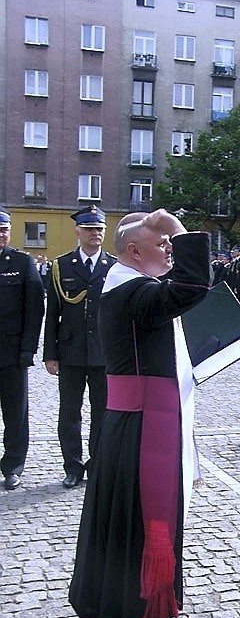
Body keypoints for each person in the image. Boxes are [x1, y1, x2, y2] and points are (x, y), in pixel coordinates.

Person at [68, 208, 212, 618]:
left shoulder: (124, 284)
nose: (170, 248)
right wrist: (180, 229)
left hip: (129, 420)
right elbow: (193, 286)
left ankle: (100, 600)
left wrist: (159, 229)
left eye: (170, 242)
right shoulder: (134, 290)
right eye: (161, 243)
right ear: (133, 251)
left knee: (115, 518)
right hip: (148, 423)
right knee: (148, 520)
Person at [43, 205, 116, 488]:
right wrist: (50, 354)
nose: (95, 233)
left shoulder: (113, 267)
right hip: (70, 352)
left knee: (103, 413)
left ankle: (97, 463)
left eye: (99, 229)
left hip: (104, 354)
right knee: (69, 413)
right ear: (78, 232)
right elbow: (53, 314)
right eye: (89, 229)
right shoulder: (62, 266)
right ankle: (72, 466)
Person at [0, 210, 45, 490]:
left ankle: (13, 466)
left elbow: (35, 310)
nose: (1, 235)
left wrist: (28, 349)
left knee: (15, 414)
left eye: (4, 230)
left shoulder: (22, 262)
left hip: (12, 353)